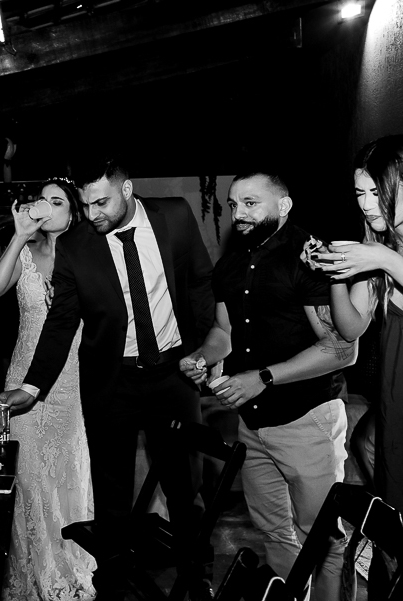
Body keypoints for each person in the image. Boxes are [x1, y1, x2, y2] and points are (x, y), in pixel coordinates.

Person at [0, 158, 215, 598]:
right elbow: (60, 321)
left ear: (127, 189)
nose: (92, 214)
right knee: (112, 498)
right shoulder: (77, 246)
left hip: (174, 376)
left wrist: (207, 348)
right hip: (114, 382)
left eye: (101, 203)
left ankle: (197, 579)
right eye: (86, 204)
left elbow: (200, 282)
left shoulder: (175, 215)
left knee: (184, 488)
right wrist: (31, 387)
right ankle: (112, 587)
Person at [181, 170, 355, 600]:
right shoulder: (231, 262)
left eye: (250, 203)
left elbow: (341, 349)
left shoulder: (310, 257)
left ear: (284, 205)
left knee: (322, 539)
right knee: (274, 533)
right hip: (252, 424)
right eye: (233, 204)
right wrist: (204, 357)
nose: (238, 213)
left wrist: (263, 378)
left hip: (306, 418)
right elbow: (224, 332)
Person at [0, 177, 96, 600]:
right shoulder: (26, 252)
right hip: (23, 376)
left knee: (70, 473)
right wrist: (19, 236)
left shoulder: (89, 254)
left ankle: (72, 572)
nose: (46, 206)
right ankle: (31, 574)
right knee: (28, 478)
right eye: (41, 200)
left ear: (74, 212)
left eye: (57, 201)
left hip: (75, 378)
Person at [309, 135, 403, 598]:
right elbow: (349, 329)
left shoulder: (381, 252)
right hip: (394, 389)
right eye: (359, 193)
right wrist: (335, 274)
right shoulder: (378, 245)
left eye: (376, 191)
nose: (367, 204)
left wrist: (381, 258)